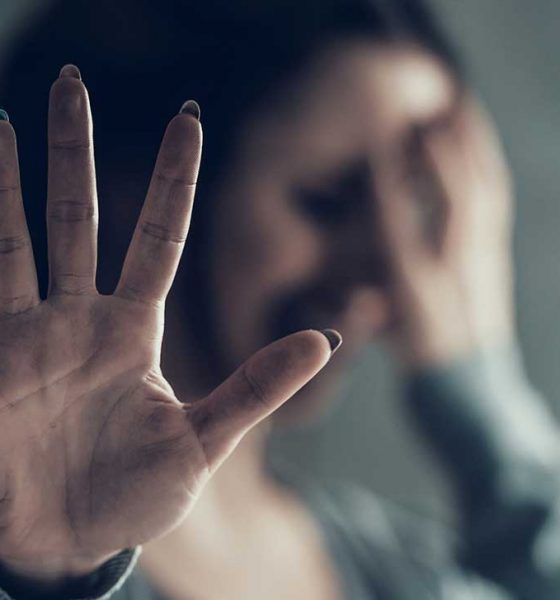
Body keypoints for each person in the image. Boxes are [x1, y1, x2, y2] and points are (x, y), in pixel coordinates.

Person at [0, 0, 559, 598]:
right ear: (139, 185)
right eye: (325, 201)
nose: (390, 272)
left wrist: (479, 384)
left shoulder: (398, 569)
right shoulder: (32, 550)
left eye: (420, 212)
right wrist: (48, 578)